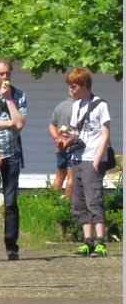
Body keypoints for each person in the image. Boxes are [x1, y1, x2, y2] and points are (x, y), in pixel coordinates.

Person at [64, 67, 113, 257]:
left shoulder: (100, 105)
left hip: (92, 158)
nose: (71, 89)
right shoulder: (76, 106)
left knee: (94, 199)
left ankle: (101, 242)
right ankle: (87, 241)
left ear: (84, 85)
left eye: (74, 86)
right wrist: (67, 136)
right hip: (77, 158)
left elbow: (105, 134)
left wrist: (97, 160)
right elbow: (77, 132)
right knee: (79, 201)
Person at [0, 58, 27, 261]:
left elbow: (20, 125)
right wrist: (8, 123)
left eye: (7, 73)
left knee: (10, 202)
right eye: (1, 74)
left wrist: (9, 100)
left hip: (12, 153)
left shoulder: (19, 95)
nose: (5, 77)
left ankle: (11, 245)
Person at [49, 96, 76, 199]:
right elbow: (77, 131)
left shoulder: (60, 106)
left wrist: (57, 138)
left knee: (59, 176)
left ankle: (53, 201)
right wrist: (67, 143)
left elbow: (52, 125)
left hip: (60, 148)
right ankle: (68, 203)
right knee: (71, 177)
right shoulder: (78, 107)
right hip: (72, 148)